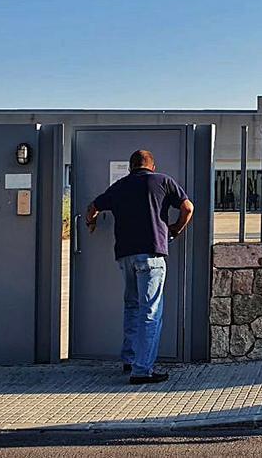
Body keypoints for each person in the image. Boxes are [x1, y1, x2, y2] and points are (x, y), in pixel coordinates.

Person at [86, 149, 194, 384]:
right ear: (152, 166)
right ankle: (142, 370)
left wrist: (90, 223)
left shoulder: (120, 186)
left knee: (132, 307)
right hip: (152, 255)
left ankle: (130, 358)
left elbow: (93, 207)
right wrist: (175, 229)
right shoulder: (163, 181)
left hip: (125, 256)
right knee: (151, 312)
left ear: (130, 167)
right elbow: (188, 208)